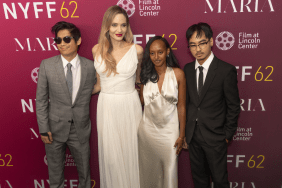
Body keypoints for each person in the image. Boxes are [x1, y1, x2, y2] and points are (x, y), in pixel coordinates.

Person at [36, 21, 96, 188]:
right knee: (55, 176)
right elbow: (41, 100)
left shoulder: (90, 67)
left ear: (78, 41)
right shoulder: (47, 65)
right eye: (58, 40)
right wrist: (43, 127)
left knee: (85, 176)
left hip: (80, 129)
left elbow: (102, 86)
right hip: (53, 130)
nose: (62, 44)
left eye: (67, 39)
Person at [91, 5, 143, 188]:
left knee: (132, 154)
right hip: (106, 107)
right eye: (114, 25)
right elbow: (98, 85)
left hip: (130, 105)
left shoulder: (137, 50)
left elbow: (139, 81)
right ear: (107, 26)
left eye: (123, 25)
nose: (119, 30)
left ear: (127, 26)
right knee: (112, 158)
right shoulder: (96, 50)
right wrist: (71, 94)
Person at [184, 22, 240, 188]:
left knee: (220, 181)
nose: (198, 49)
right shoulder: (187, 69)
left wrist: (227, 134)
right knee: (199, 181)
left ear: (211, 42)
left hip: (216, 137)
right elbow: (187, 103)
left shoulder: (225, 70)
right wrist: (186, 132)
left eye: (202, 43)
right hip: (193, 137)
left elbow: (234, 105)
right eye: (193, 45)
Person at [138, 36, 186, 188]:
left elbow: (182, 107)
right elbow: (140, 104)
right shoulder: (145, 76)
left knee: (169, 172)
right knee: (148, 174)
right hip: (147, 134)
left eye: (160, 52)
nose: (156, 57)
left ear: (167, 52)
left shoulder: (178, 74)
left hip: (170, 134)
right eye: (152, 53)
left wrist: (182, 135)